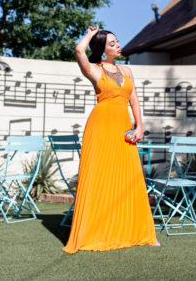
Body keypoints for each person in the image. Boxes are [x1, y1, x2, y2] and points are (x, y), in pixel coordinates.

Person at [63, 26, 159, 253]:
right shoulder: (94, 70)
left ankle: (141, 233)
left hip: (123, 128)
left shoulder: (127, 71)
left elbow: (134, 100)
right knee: (100, 178)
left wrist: (140, 126)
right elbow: (78, 51)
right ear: (102, 50)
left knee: (129, 178)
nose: (117, 45)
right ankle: (94, 233)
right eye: (112, 43)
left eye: (117, 41)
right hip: (100, 129)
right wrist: (89, 35)